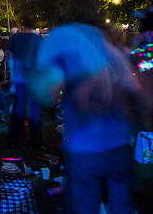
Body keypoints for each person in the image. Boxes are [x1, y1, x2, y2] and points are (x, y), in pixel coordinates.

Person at [32, 19, 145, 214]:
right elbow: (136, 90)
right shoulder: (115, 55)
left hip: (84, 149)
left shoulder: (71, 54)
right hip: (119, 145)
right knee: (122, 204)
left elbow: (49, 93)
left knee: (85, 204)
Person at [7, 15, 43, 148]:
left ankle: (14, 139)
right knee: (34, 109)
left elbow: (10, 57)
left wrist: (12, 76)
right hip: (34, 79)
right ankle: (36, 141)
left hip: (20, 79)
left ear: (22, 24)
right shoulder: (37, 39)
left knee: (19, 108)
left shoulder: (15, 38)